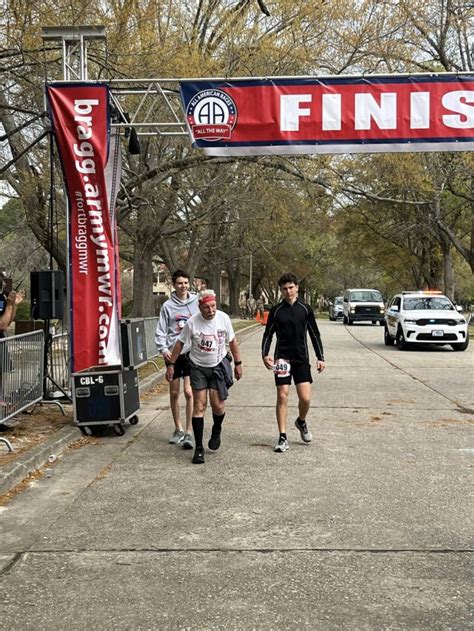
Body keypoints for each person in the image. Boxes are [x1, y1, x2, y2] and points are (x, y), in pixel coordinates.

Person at [166, 289, 243, 464]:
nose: (211, 310)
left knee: (218, 405)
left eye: (213, 306)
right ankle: (199, 448)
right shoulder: (192, 323)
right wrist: (171, 365)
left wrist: (238, 364)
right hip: (197, 367)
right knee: (199, 406)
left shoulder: (223, 319)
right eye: (206, 307)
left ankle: (217, 429)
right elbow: (179, 343)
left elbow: (232, 342)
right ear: (199, 307)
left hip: (218, 366)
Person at [262, 272, 325, 453]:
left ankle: (301, 421)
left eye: (291, 287)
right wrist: (265, 354)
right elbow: (268, 334)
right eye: (284, 288)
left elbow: (314, 334)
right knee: (282, 395)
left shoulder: (305, 309)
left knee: (305, 398)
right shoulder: (276, 311)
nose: (288, 291)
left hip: (301, 358)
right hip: (282, 358)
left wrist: (321, 357)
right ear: (281, 290)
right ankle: (282, 437)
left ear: (296, 287)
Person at [155, 270, 199, 450]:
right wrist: (164, 349)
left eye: (186, 283)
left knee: (189, 392)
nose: (184, 286)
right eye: (180, 283)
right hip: (173, 353)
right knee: (174, 393)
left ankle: (189, 431)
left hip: (191, 352)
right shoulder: (167, 306)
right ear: (174, 285)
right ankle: (178, 428)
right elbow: (161, 330)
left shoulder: (196, 302)